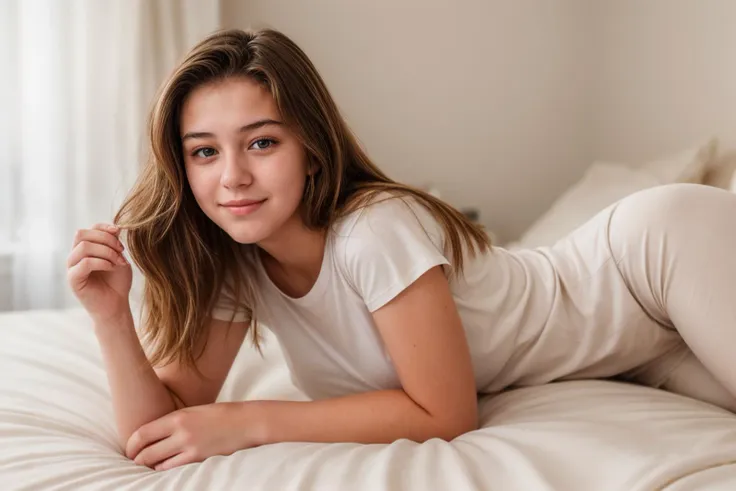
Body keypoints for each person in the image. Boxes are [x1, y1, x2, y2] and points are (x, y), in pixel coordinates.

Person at [66, 28, 736, 472]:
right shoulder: (238, 260)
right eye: (204, 152)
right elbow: (160, 433)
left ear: (311, 147)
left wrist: (247, 421)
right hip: (636, 354)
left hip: (649, 262)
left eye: (262, 142)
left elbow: (445, 411)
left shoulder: (373, 227)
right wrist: (110, 316)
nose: (232, 176)